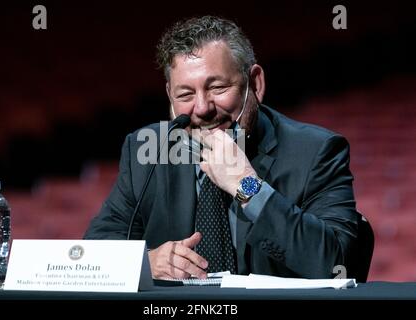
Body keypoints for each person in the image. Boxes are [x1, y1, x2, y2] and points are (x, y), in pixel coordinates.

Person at [84, 15, 363, 281]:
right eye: (185, 94)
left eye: (217, 88)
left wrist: (248, 187)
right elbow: (94, 255)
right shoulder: (146, 150)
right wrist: (146, 262)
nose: (202, 109)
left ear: (255, 83)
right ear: (170, 95)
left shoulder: (316, 152)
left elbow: (338, 265)